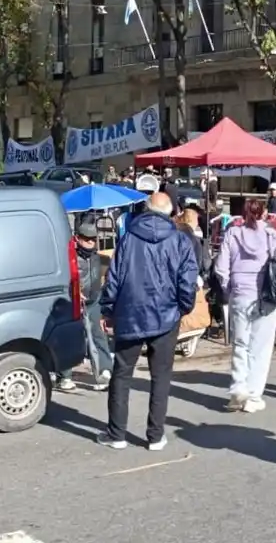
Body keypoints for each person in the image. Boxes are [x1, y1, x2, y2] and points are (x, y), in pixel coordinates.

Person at [99, 191, 198, 449]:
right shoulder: (179, 240)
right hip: (166, 315)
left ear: (146, 208)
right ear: (170, 212)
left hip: (130, 312)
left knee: (122, 374)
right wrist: (183, 308)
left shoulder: (129, 238)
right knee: (160, 377)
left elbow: (114, 278)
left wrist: (108, 310)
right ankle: (155, 435)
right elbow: (188, 281)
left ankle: (116, 434)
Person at [216, 196, 276, 413]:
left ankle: (238, 387)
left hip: (240, 294)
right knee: (260, 347)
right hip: (265, 296)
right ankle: (253, 395)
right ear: (264, 213)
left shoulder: (232, 233)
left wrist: (229, 288)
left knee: (240, 344)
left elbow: (221, 268)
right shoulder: (271, 235)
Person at [74, 221, 113, 391]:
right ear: (78, 238)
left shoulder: (98, 258)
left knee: (98, 335)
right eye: (86, 239)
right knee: (72, 337)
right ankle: (64, 375)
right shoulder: (71, 258)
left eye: (93, 239)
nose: (90, 242)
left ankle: (104, 370)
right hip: (75, 302)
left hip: (94, 301)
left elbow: (106, 276)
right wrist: (75, 292)